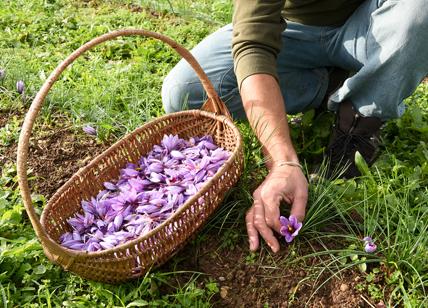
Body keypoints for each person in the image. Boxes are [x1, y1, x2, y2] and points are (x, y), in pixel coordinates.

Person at [161, 0, 428, 253]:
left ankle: (360, 119)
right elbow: (253, 43)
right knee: (186, 91)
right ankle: (335, 85)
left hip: (370, 23)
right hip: (293, 29)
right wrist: (283, 162)